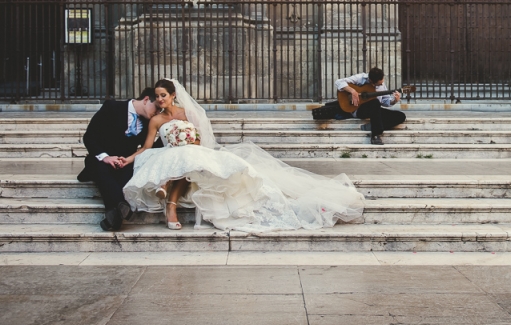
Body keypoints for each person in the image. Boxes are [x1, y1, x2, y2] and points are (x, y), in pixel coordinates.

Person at [121, 78, 364, 232]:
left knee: (190, 157)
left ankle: (169, 198)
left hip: (193, 152)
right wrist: (128, 159)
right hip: (169, 154)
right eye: (157, 96)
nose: (160, 99)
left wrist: (191, 142)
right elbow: (146, 147)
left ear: (173, 95)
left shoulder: (188, 113)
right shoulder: (155, 119)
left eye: (164, 95)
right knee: (182, 158)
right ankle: (170, 203)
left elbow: (201, 138)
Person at [77, 87, 158, 231]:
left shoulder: (149, 122)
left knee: (128, 175)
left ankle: (113, 218)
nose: (157, 113)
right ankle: (122, 205)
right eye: (156, 108)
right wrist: (106, 157)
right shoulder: (112, 107)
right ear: (146, 100)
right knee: (102, 171)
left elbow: (147, 146)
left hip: (125, 163)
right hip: (100, 160)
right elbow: (89, 137)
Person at [335, 67, 406, 145]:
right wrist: (352, 91)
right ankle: (375, 135)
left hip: (374, 110)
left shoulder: (381, 84)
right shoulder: (361, 78)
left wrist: (394, 100)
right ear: (372, 82)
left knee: (400, 116)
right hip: (358, 109)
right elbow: (338, 82)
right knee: (375, 102)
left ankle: (371, 126)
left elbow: (386, 101)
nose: (382, 84)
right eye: (379, 84)